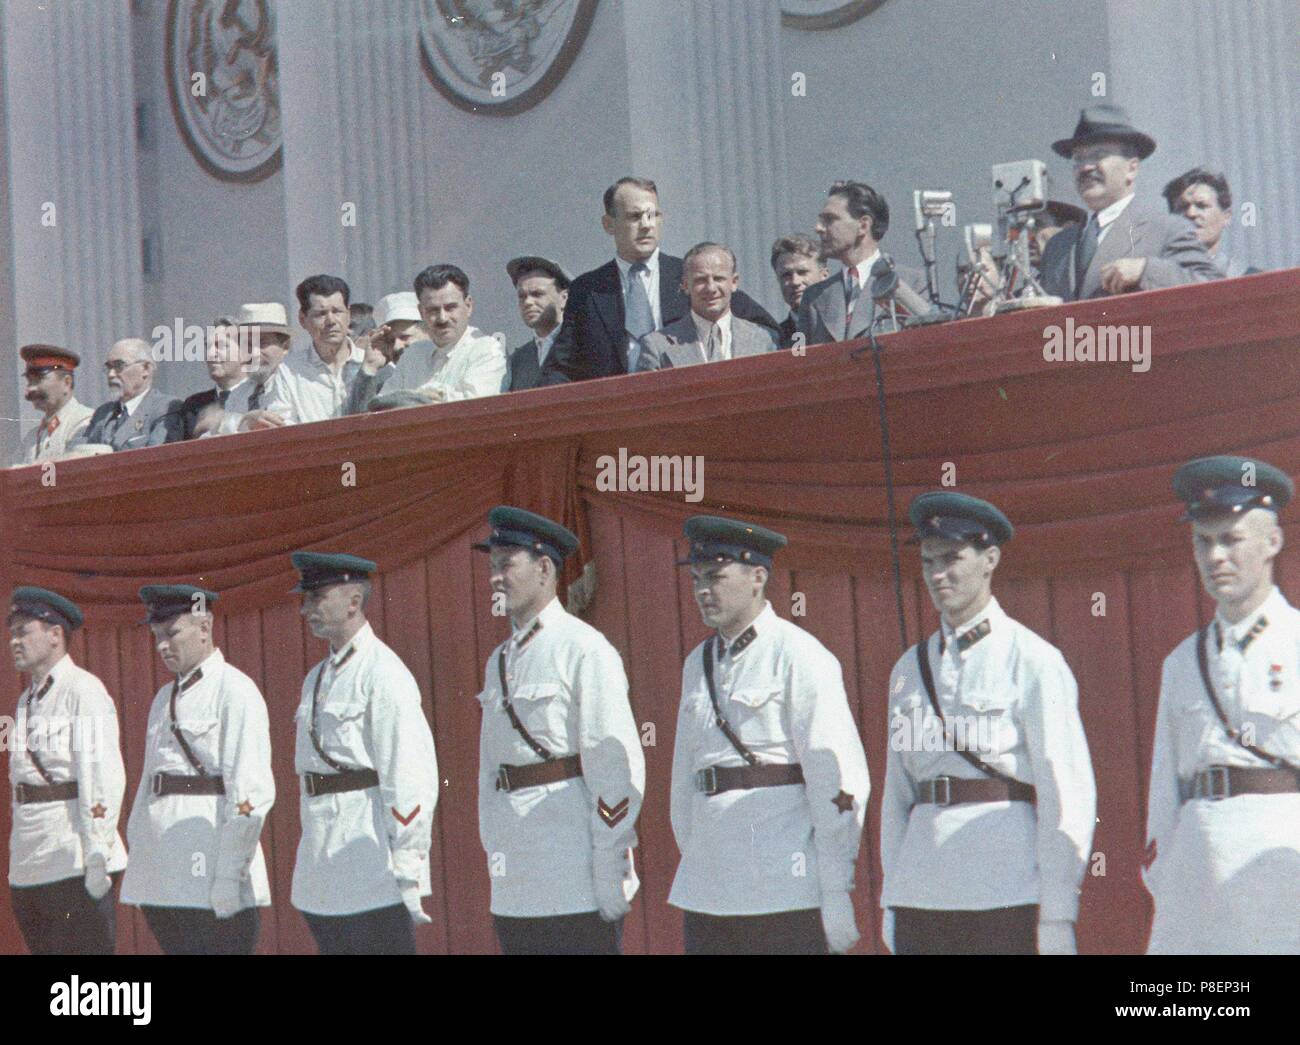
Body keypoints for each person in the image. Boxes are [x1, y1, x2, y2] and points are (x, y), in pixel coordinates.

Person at [879, 492, 1096, 955]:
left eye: (953, 558)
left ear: (989, 559)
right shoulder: (908, 670)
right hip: (921, 889)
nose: (938, 574)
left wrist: (1057, 910)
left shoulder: (1032, 660)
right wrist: (892, 899)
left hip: (1003, 889)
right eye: (927, 560)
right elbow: (896, 796)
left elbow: (1068, 792)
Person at [669, 515, 870, 954]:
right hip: (708, 889)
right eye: (697, 578)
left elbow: (837, 779)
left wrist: (835, 889)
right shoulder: (696, 665)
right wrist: (700, 856)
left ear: (758, 576)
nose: (703, 590)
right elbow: (685, 780)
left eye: (716, 577)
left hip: (782, 889)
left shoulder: (799, 656)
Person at [1144, 455, 1300, 954]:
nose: (1215, 557)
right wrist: (1166, 871)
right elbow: (1163, 791)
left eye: (1231, 540)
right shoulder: (1181, 663)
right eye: (1203, 542)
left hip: (1281, 875)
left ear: (1272, 542)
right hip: (1196, 879)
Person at [473, 507, 644, 954]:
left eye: (506, 564)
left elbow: (614, 766)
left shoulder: (584, 650)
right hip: (517, 876)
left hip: (574, 871)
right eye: (492, 566)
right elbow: (490, 772)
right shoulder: (499, 662)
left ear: (545, 568)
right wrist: (496, 849)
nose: (494, 577)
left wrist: (609, 862)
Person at [290, 552, 439, 955]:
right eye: (304, 599)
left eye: (317, 597)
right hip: (324, 862)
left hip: (370, 861)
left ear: (354, 601)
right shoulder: (316, 679)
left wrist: (409, 866)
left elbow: (408, 773)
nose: (306, 609)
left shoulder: (384, 674)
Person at [119, 585, 274, 954]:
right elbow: (149, 787)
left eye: (172, 633)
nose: (161, 646)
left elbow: (250, 793)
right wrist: (142, 868)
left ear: (204, 628)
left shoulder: (235, 691)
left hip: (210, 877)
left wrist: (228, 876)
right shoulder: (163, 700)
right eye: (157, 636)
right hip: (165, 880)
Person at [539, 176, 777, 383]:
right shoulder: (588, 290)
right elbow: (560, 367)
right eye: (634, 217)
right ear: (609, 224)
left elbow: (768, 332)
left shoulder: (692, 275)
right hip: (617, 418)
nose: (646, 226)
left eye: (652, 215)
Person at [7, 587, 126, 954]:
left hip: (73, 854)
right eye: (11, 632)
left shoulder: (83, 691)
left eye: (23, 631)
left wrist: (97, 855)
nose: (14, 641)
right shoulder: (27, 700)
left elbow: (101, 775)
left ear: (55, 634)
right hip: (32, 856)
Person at [1039, 104, 1218, 300]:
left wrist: (1145, 271)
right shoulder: (1058, 246)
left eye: (1099, 155)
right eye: (1078, 159)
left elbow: (1214, 288)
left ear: (1131, 168)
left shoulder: (1167, 229)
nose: (1085, 167)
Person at [349, 265, 505, 411]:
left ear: (468, 306)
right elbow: (379, 409)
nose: (442, 318)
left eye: (450, 307)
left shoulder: (487, 350)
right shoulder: (413, 356)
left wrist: (408, 399)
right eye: (432, 310)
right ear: (421, 312)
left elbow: (473, 409)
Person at [796, 181, 927, 346]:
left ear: (863, 225)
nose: (818, 228)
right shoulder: (813, 296)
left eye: (829, 220)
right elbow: (798, 358)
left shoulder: (912, 283)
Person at [636, 242, 778, 371]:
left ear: (734, 282)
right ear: (685, 285)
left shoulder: (763, 340)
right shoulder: (657, 346)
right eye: (701, 280)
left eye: (718, 278)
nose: (710, 288)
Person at [70, 338, 183, 451]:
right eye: (109, 367)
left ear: (145, 369)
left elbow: (157, 459)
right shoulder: (103, 413)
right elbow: (77, 451)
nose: (111, 374)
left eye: (119, 365)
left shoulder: (166, 409)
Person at [215, 303, 295, 434]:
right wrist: (243, 422)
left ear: (285, 347)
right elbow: (214, 438)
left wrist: (243, 424)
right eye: (248, 344)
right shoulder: (237, 395)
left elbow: (286, 428)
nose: (254, 353)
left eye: (263, 343)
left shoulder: (296, 383)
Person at [1162, 167, 1256, 278]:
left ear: (1226, 216)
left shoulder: (1254, 281)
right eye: (1183, 207)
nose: (1191, 213)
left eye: (1201, 206)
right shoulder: (1152, 282)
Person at [13, 344, 93, 465]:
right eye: (29, 381)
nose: (30, 389)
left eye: (39, 379)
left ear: (66, 382)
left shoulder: (86, 423)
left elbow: (78, 470)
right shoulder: (31, 438)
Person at [504, 256, 569, 392]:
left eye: (537, 294)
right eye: (522, 296)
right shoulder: (517, 361)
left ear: (564, 298)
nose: (528, 302)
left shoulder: (585, 347)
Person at [178, 319, 250, 439]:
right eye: (208, 346)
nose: (210, 354)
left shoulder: (260, 396)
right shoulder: (194, 406)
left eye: (221, 346)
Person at [770, 234, 828, 348]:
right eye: (786, 275)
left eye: (802, 272)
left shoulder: (846, 325)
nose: (795, 282)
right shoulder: (773, 340)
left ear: (824, 275)